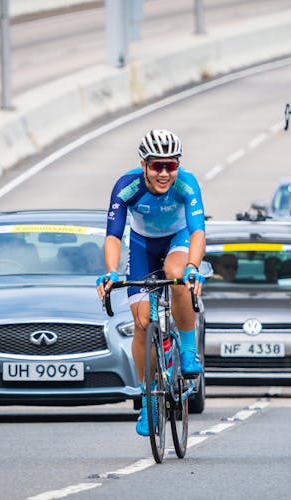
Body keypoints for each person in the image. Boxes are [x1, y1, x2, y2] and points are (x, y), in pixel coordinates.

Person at [96, 129, 206, 436]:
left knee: (177, 274)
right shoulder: (126, 186)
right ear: (144, 165)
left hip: (178, 240)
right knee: (143, 323)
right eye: (157, 165)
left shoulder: (187, 183)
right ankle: (147, 399)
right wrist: (111, 271)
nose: (164, 173)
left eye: (170, 166)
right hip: (143, 246)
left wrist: (193, 267)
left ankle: (186, 350)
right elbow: (114, 235)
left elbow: (198, 231)